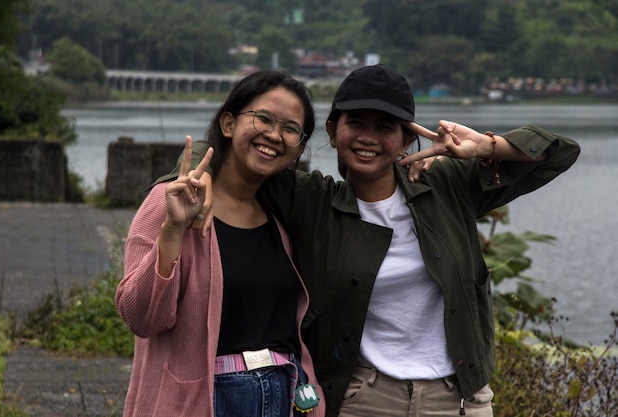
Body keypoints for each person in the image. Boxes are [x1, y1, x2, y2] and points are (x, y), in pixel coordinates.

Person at [162, 64, 580, 416]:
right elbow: (232, 145)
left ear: (407, 138)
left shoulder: (448, 185)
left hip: (458, 399)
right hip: (362, 398)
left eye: (385, 127)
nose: (368, 137)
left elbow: (561, 153)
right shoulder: (312, 200)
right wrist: (201, 171)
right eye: (356, 122)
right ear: (331, 130)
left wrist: (485, 145)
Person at [116, 70, 326, 417]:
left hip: (283, 396)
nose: (274, 135)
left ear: (299, 147)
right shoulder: (172, 200)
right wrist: (172, 230)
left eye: (290, 129)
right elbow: (141, 318)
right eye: (263, 118)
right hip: (205, 400)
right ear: (228, 123)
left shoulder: (281, 215)